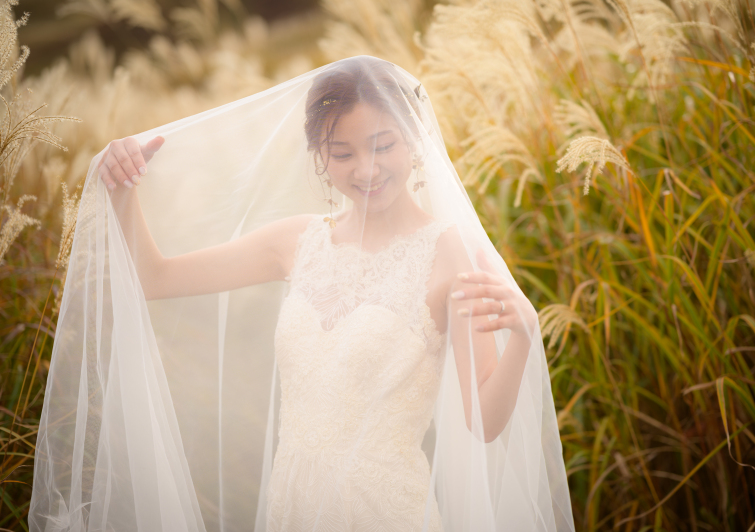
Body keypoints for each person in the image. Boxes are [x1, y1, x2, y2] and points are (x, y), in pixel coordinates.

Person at [30, 56, 574, 532]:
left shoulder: (447, 255)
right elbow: (156, 278)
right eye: (342, 153)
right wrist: (124, 189)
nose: (367, 169)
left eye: (383, 144)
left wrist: (524, 335)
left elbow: (482, 423)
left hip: (387, 513)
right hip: (292, 504)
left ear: (414, 138)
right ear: (319, 153)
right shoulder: (298, 241)